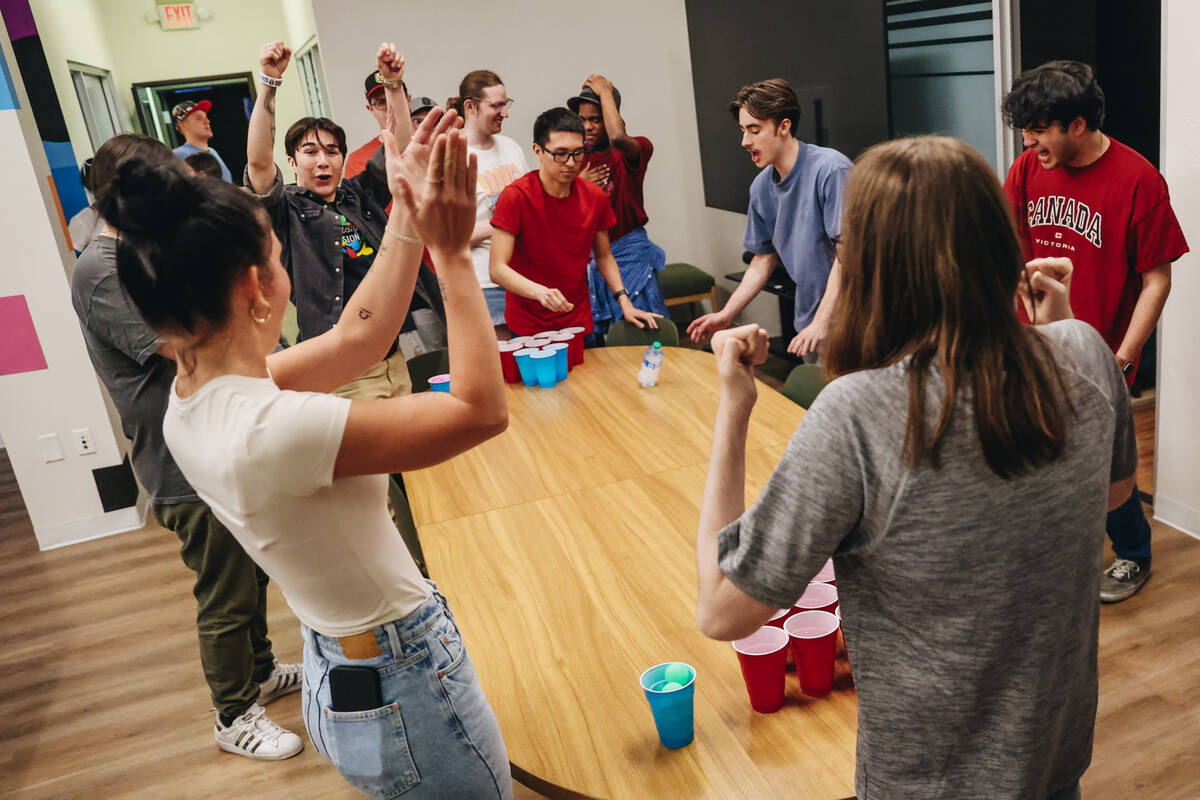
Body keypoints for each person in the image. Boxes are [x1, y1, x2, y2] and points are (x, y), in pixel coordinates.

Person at [694, 136, 1138, 800]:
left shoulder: (860, 413)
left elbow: (722, 612)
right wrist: (1056, 332)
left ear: (870, 265)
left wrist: (734, 408)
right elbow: (1114, 493)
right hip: (1053, 760)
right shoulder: (1084, 349)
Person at [101, 95, 514, 798]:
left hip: (341, 663)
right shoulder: (275, 428)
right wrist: (448, 252)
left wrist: (408, 217)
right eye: (275, 254)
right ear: (257, 287)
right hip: (404, 675)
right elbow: (479, 412)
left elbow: (361, 338)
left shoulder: (195, 399)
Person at [70, 133, 303, 761]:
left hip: (211, 437)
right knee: (223, 590)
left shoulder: (139, 252)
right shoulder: (101, 269)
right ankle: (233, 713)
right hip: (179, 459)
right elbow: (187, 346)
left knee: (248, 570)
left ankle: (260, 670)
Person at [1001, 60, 1189, 603]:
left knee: (1108, 467)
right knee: (1034, 456)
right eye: (1025, 128)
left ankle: (1133, 555)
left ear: (1077, 124)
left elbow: (1157, 280)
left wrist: (1124, 359)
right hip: (1033, 347)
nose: (1028, 139)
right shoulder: (1026, 171)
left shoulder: (1138, 179)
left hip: (1099, 353)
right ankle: (1054, 551)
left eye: (1039, 128)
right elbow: (1012, 249)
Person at [245, 42, 429, 575]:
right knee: (374, 491)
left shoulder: (356, 196)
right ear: (294, 160)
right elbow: (257, 160)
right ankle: (399, 581)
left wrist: (394, 86)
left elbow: (404, 146)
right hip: (342, 368)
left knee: (409, 475)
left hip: (392, 359)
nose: (321, 160)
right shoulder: (285, 209)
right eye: (309, 151)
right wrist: (269, 82)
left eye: (330, 150)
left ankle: (421, 569)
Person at [687, 79, 850, 360]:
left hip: (851, 325)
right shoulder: (761, 187)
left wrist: (822, 323)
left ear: (784, 126)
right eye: (742, 131)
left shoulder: (831, 170)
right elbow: (763, 259)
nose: (745, 141)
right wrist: (727, 314)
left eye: (754, 130)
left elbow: (849, 255)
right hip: (808, 325)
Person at [489, 107, 660, 339]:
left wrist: (624, 300)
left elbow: (603, 256)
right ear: (537, 151)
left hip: (576, 318)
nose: (570, 163)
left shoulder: (594, 197)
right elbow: (497, 269)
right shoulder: (516, 196)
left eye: (578, 153)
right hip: (529, 322)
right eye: (560, 153)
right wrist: (539, 292)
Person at [567, 76, 669, 336]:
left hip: (629, 252)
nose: (587, 126)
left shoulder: (634, 149)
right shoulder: (573, 158)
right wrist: (577, 183)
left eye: (596, 119)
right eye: (583, 119)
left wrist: (604, 92)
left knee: (642, 332)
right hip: (592, 257)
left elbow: (618, 137)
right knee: (601, 342)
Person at [447, 70, 528, 333]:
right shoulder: (452, 158)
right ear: (470, 106)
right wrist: (504, 227)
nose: (505, 113)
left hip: (524, 278)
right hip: (483, 283)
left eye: (506, 103)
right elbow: (446, 239)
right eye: (496, 105)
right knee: (501, 370)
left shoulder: (511, 147)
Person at [344, 68, 412, 179]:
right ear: (370, 109)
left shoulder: (433, 143)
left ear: (408, 100)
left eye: (395, 98)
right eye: (381, 102)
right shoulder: (357, 160)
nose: (391, 107)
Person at [171, 100, 233, 182]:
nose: (207, 121)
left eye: (206, 117)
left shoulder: (212, 151)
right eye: (199, 118)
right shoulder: (178, 155)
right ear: (182, 125)